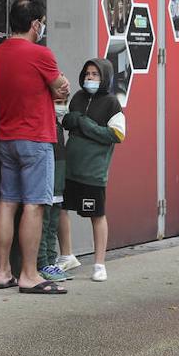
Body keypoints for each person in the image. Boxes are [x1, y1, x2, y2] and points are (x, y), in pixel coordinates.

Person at [0, 0, 71, 295]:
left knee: (8, 202)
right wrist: (56, 83)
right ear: (36, 24)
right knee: (35, 204)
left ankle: (2, 272)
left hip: (6, 137)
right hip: (35, 138)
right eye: (43, 22)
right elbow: (61, 86)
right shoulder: (40, 54)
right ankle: (29, 274)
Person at [59, 59, 126, 282]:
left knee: (96, 215)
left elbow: (116, 135)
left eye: (95, 74)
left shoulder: (111, 104)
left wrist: (85, 124)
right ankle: (67, 255)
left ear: (104, 77)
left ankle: (99, 264)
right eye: (87, 73)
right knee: (61, 209)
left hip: (93, 172)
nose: (90, 78)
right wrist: (73, 119)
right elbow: (67, 120)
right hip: (71, 168)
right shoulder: (78, 97)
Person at [36, 100, 72, 282]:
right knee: (44, 222)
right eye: (58, 102)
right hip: (48, 182)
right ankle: (43, 263)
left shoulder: (57, 125)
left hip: (58, 183)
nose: (62, 106)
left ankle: (51, 260)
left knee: (52, 224)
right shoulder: (44, 124)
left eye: (65, 102)